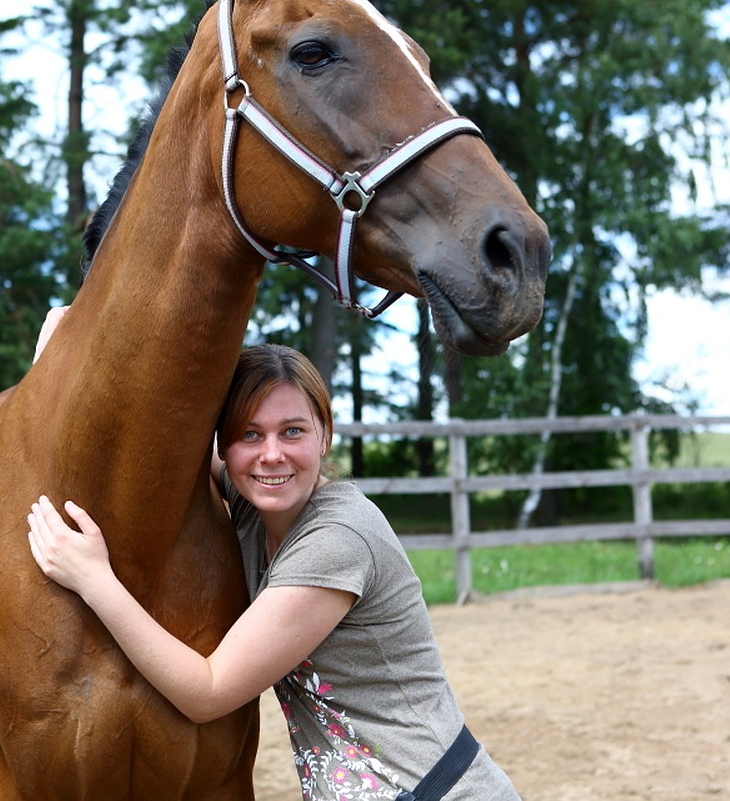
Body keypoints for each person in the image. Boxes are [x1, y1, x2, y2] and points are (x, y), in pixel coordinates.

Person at [27, 332, 519, 800]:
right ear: (222, 445)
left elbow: (209, 690)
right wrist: (61, 356)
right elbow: (152, 434)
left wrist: (95, 580)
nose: (271, 455)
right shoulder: (254, 507)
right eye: (249, 433)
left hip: (434, 790)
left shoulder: (338, 538)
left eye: (293, 431)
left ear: (324, 436)